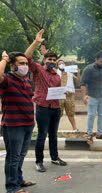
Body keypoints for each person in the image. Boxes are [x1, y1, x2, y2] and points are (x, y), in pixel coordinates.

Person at [25, 29, 67, 172]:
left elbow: (56, 91)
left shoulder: (57, 76)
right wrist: (36, 42)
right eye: (49, 60)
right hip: (42, 108)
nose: (52, 62)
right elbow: (27, 57)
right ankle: (39, 161)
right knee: (41, 135)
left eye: (54, 60)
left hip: (55, 108)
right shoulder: (38, 70)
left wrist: (63, 92)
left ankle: (54, 157)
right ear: (44, 61)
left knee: (53, 134)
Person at [0, 51, 36, 193]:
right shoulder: (6, 80)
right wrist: (4, 59)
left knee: (21, 155)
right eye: (21, 63)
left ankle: (18, 180)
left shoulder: (26, 80)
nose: (25, 66)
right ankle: (12, 187)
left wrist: (35, 43)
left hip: (28, 124)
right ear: (12, 66)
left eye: (26, 63)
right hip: (14, 126)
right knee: (13, 157)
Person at [57, 60, 80, 131]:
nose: (61, 64)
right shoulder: (55, 72)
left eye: (62, 63)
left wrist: (78, 73)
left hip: (70, 95)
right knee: (57, 113)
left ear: (65, 64)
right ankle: (54, 129)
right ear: (57, 65)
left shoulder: (70, 72)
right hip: (59, 95)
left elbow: (78, 82)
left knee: (71, 112)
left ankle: (74, 128)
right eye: (59, 64)